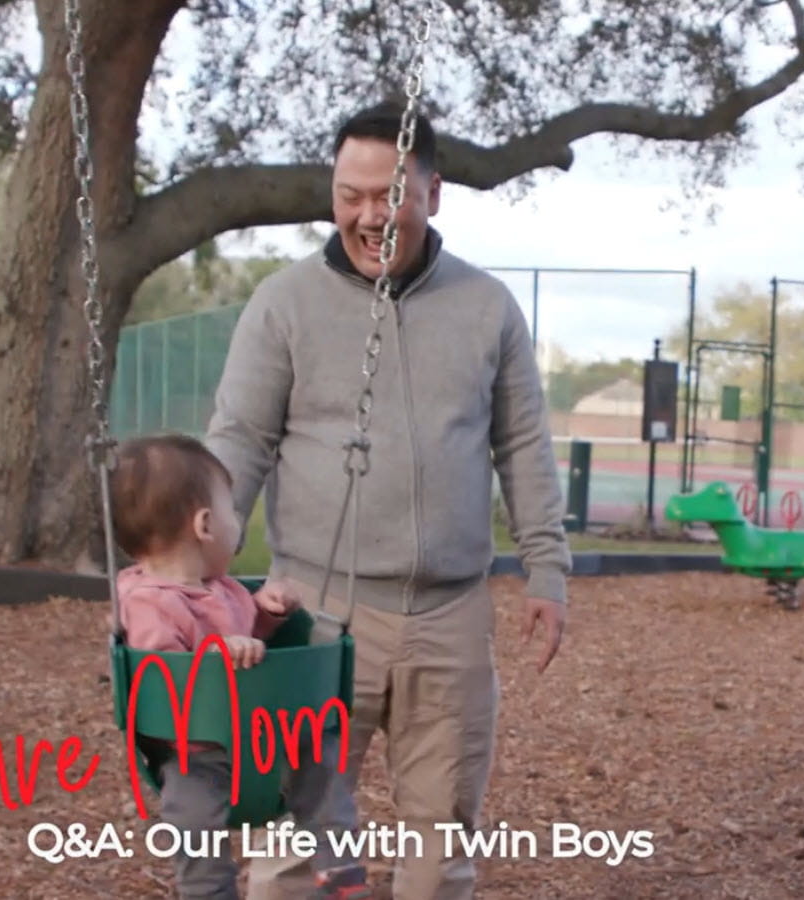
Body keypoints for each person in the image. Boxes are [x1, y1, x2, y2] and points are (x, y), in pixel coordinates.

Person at [204, 103, 573, 900]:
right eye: (349, 195)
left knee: (439, 862)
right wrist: (196, 567)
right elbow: (239, 441)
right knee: (288, 861)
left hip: (450, 617)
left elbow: (523, 447)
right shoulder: (285, 303)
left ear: (431, 193)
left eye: (388, 194)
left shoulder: (486, 308)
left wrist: (547, 569)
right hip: (316, 611)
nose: (368, 215)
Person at [109, 433, 368, 899]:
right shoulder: (146, 600)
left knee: (320, 764)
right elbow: (163, 670)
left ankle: (339, 867)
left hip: (267, 734)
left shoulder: (221, 587)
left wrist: (268, 613)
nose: (238, 524)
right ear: (206, 524)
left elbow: (250, 637)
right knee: (195, 830)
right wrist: (214, 655)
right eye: (234, 512)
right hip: (196, 753)